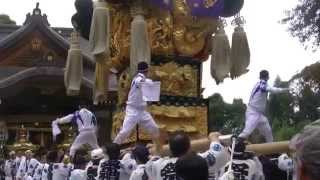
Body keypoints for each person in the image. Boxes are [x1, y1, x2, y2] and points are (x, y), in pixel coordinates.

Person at [113, 62, 161, 153]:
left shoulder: (141, 79)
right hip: (133, 110)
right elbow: (143, 83)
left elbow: (148, 94)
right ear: (146, 71)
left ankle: (158, 147)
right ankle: (113, 147)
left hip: (142, 111)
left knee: (154, 128)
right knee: (125, 132)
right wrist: (153, 82)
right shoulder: (138, 79)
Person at [239, 70, 289, 142]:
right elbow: (270, 89)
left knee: (268, 131)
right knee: (246, 133)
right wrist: (284, 90)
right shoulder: (262, 83)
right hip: (253, 112)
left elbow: (266, 88)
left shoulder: (260, 83)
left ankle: (271, 150)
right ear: (267, 77)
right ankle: (233, 146)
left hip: (259, 114)